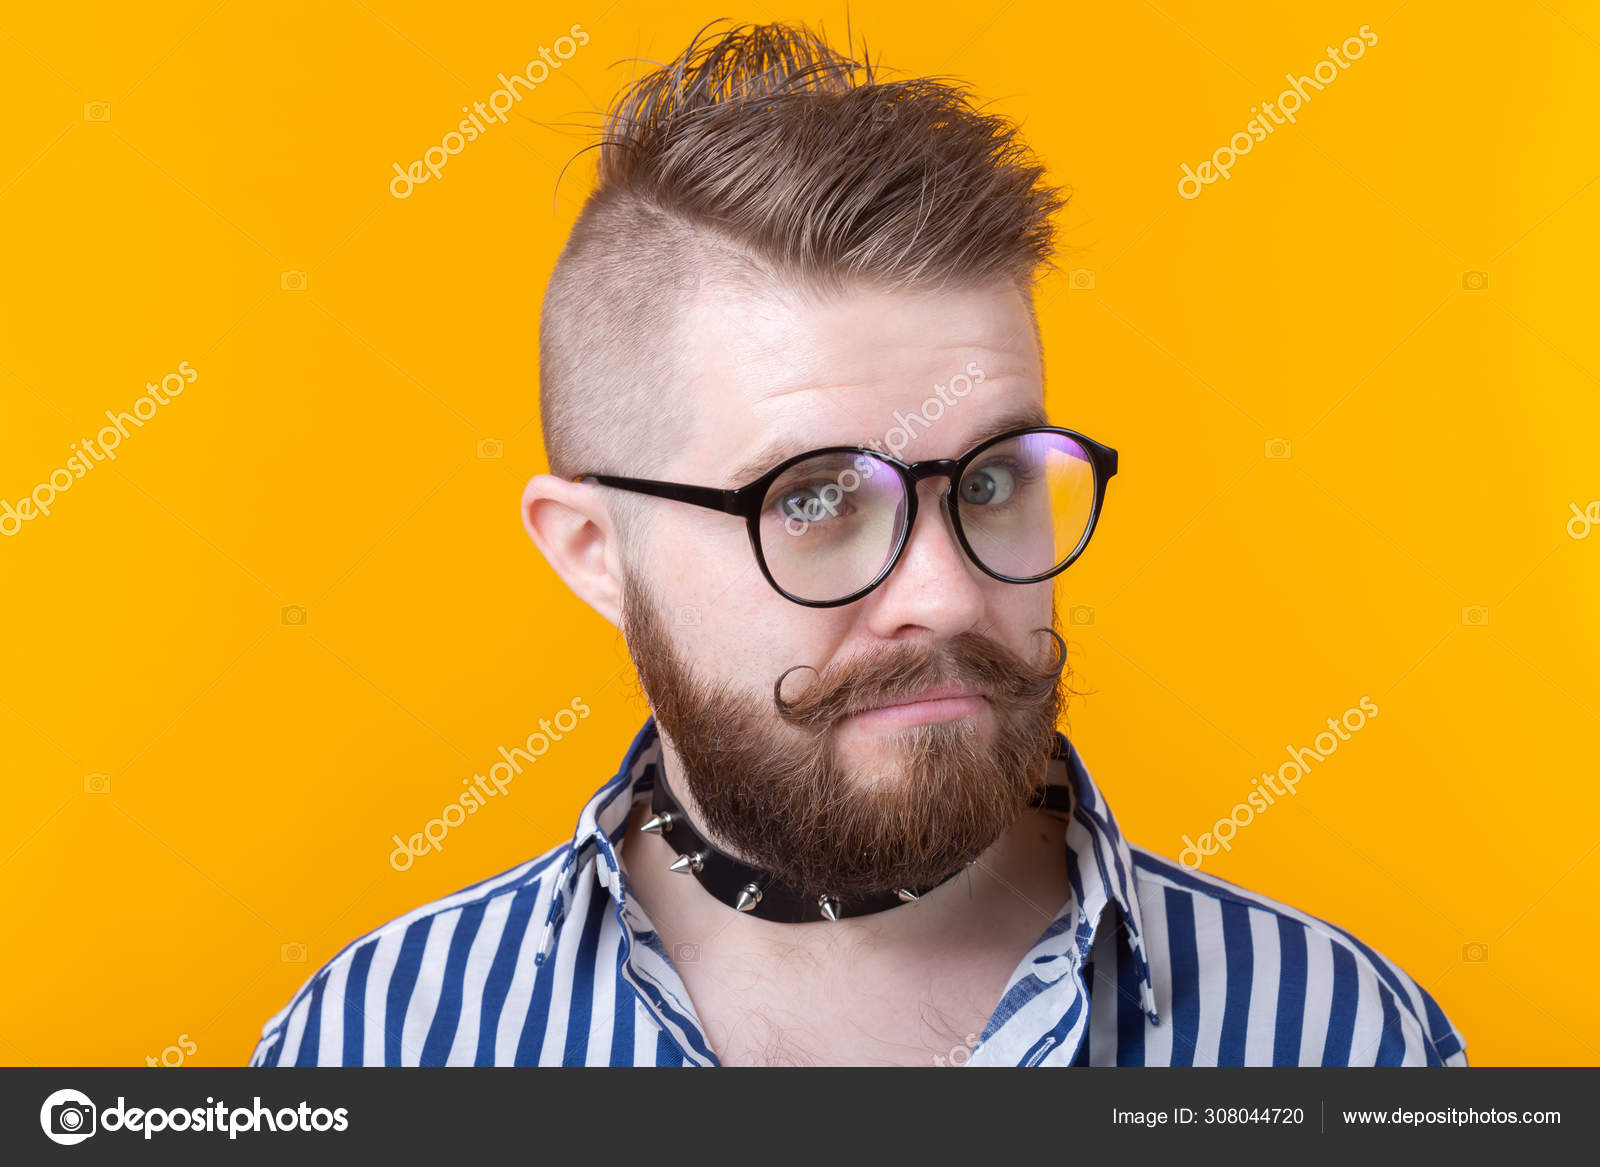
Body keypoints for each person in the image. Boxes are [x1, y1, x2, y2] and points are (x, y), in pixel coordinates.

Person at [252, 20, 1466, 1067]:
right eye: (816, 500)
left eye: (990, 480)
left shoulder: (1342, 1043)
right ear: (590, 550)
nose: (942, 597)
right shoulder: (377, 1046)